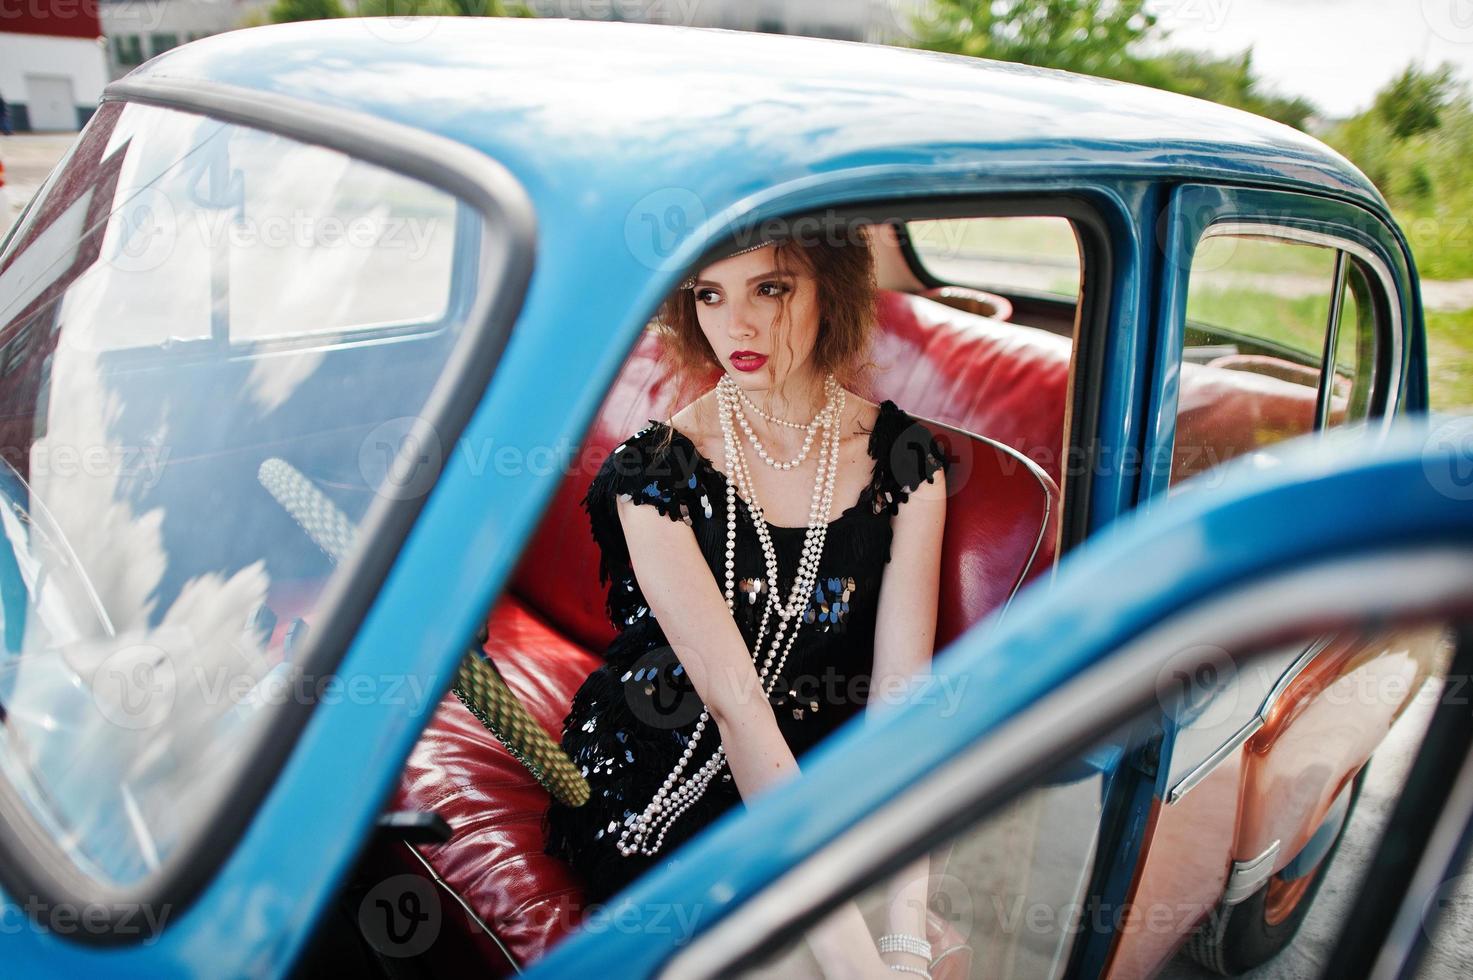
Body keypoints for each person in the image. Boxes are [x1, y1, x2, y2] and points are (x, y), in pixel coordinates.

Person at [543, 222, 950, 978]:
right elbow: (738, 711)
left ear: (830, 288)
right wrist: (858, 967)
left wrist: (904, 935)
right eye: (709, 295)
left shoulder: (904, 463)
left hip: (819, 769)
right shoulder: (654, 474)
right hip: (664, 769)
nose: (737, 324)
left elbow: (903, 702)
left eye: (771, 287)